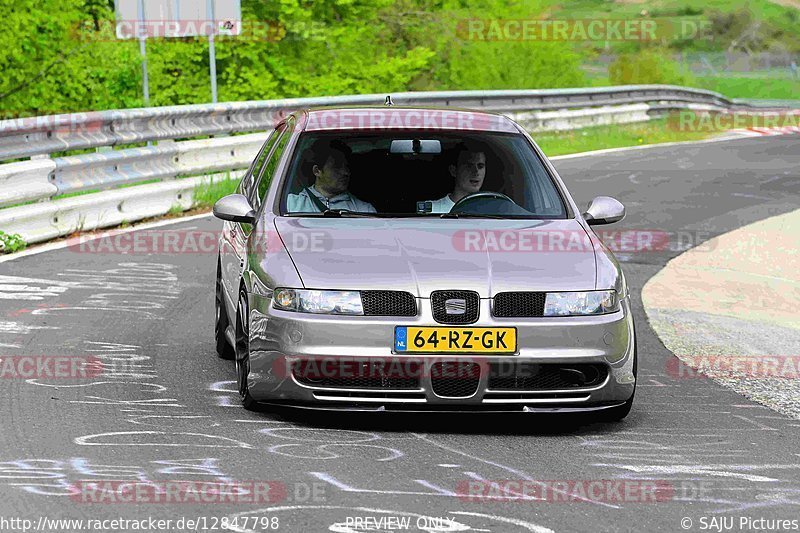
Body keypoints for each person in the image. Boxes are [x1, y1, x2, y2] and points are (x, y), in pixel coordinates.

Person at [287, 139, 376, 213]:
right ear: (317, 171)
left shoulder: (365, 210)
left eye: (347, 166)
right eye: (336, 166)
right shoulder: (290, 204)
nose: (346, 172)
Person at [427, 141, 486, 213]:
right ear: (453, 171)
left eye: (480, 166)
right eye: (469, 166)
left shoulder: (492, 209)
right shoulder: (433, 209)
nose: (476, 172)